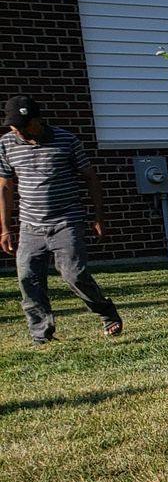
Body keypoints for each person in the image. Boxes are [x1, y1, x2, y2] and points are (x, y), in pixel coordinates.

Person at [0, 95, 122, 344]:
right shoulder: (6, 144)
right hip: (30, 225)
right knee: (28, 279)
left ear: (38, 120)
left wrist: (99, 216)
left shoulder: (66, 140)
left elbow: (90, 177)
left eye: (25, 126)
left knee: (74, 274)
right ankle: (41, 336)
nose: (20, 132)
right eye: (15, 127)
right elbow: (5, 187)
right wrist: (5, 228)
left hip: (66, 220)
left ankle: (106, 312)